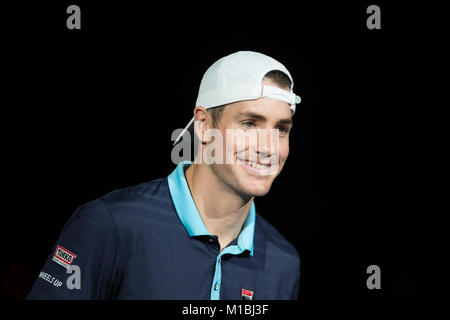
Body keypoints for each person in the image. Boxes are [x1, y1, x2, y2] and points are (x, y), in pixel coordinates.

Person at [27, 51, 302, 300]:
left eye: (281, 129)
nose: (268, 148)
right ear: (204, 126)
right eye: (249, 123)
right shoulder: (110, 225)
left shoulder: (283, 262)